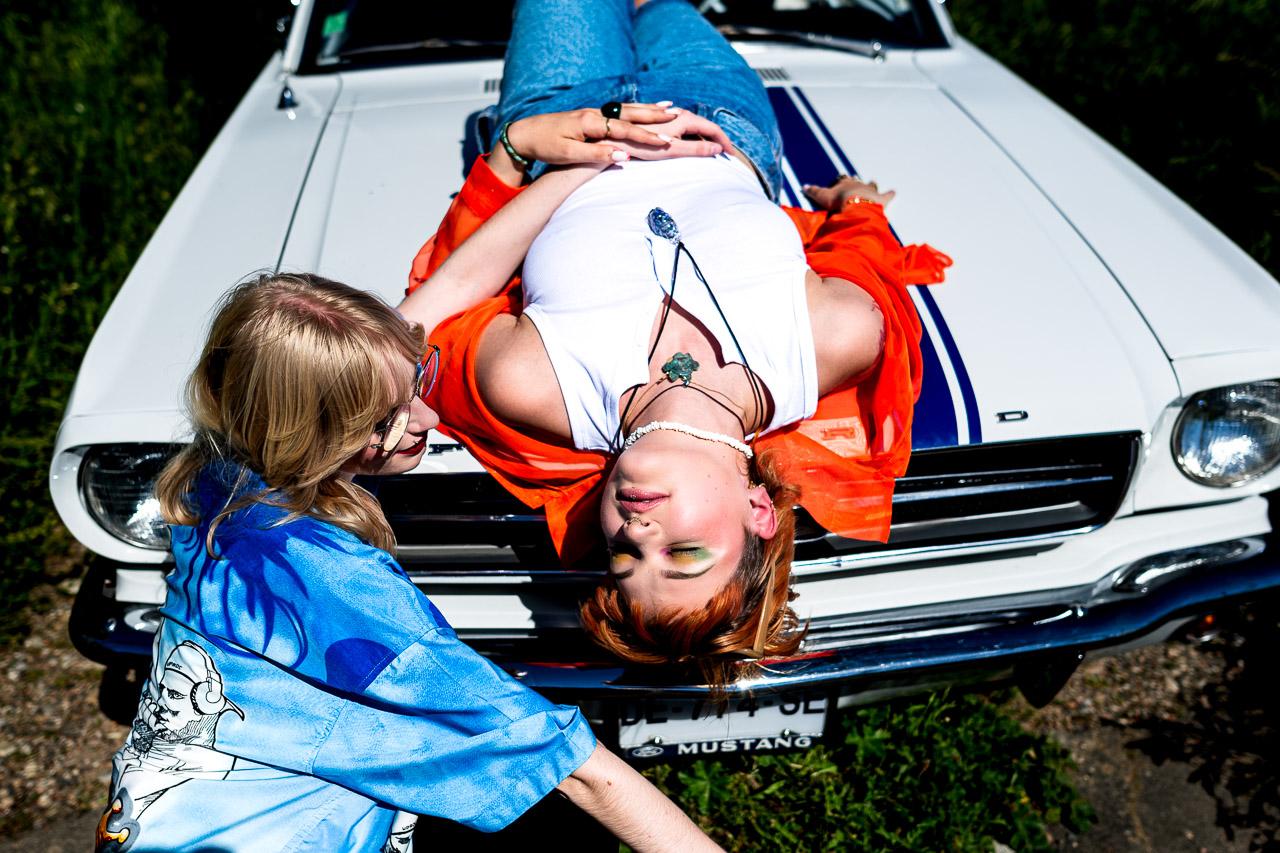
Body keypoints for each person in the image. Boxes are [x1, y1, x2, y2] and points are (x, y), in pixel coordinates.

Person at [398, 0, 951, 688]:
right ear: (758, 514)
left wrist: (522, 150)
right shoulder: (833, 340)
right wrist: (859, 209)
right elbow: (860, 259)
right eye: (685, 555)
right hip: (724, 116)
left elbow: (437, 298)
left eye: (623, 561)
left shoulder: (534, 385)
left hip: (565, 108)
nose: (637, 536)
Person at [96, 273, 723, 852]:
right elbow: (566, 763)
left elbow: (419, 301)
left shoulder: (223, 473)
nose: (428, 417)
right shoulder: (343, 596)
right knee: (560, 822)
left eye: (419, 380)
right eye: (385, 418)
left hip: (149, 826)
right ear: (306, 430)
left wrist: (522, 160)